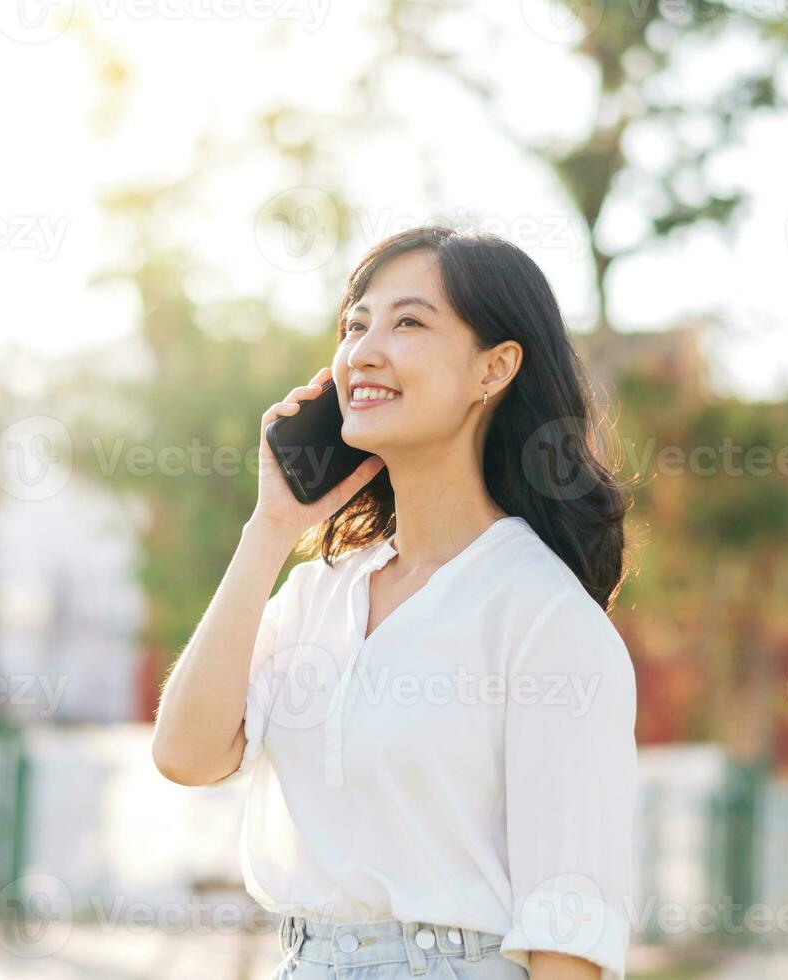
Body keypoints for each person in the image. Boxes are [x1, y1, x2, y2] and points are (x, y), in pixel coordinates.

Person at [152, 226, 639, 979]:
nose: (363, 352)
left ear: (494, 368)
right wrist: (272, 527)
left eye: (408, 322)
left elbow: (569, 923)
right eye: (355, 325)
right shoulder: (318, 592)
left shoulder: (542, 615)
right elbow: (185, 754)